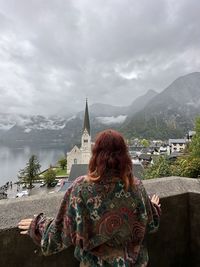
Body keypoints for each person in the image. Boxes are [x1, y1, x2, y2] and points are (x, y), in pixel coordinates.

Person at [18, 129, 161, 267]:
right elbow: (151, 223)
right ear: (124, 155)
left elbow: (62, 231)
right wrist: (153, 207)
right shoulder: (136, 186)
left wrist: (37, 225)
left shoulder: (82, 187)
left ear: (96, 154)